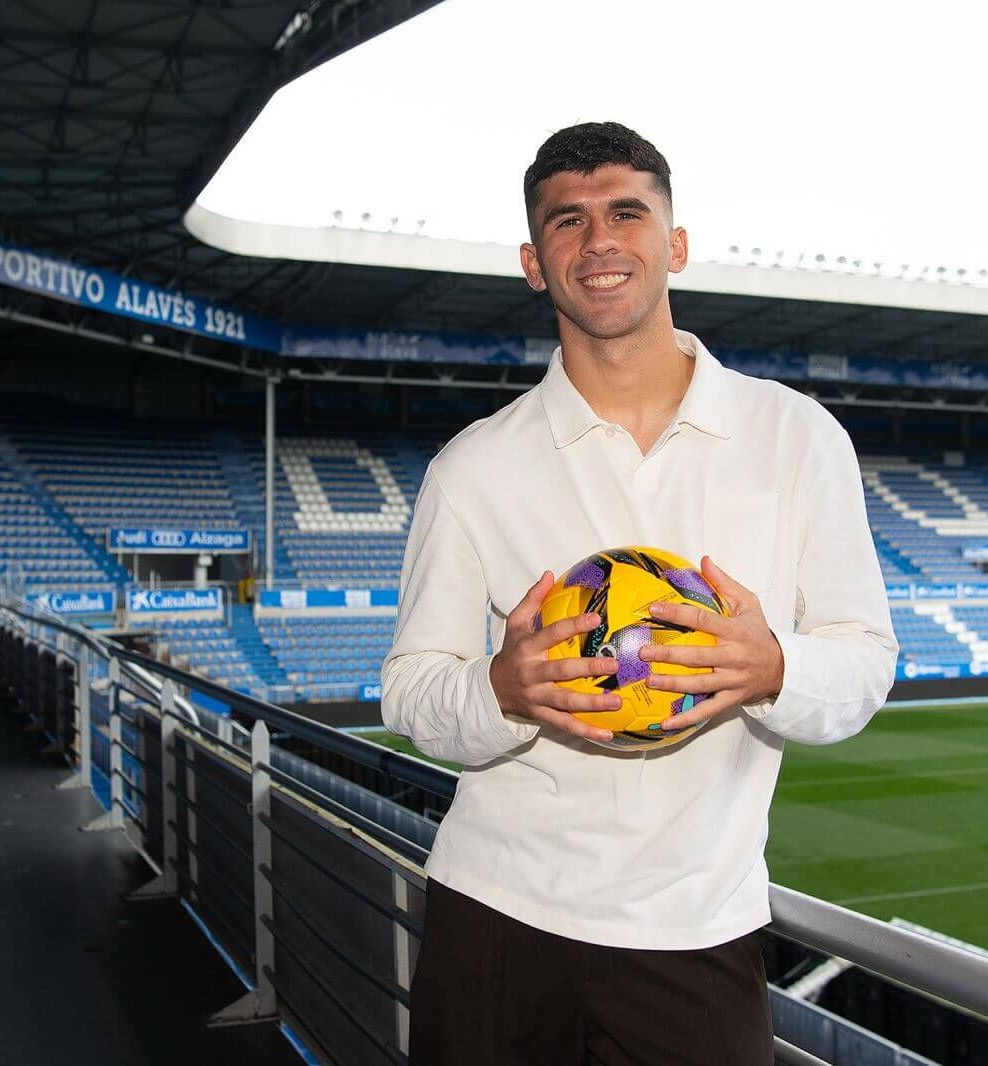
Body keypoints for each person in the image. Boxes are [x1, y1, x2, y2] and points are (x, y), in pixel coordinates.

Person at [381, 122, 899, 1065]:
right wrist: (502, 691)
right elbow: (412, 691)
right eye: (568, 222)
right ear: (535, 264)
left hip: (696, 927)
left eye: (627, 211)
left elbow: (864, 662)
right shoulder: (474, 467)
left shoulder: (797, 438)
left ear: (677, 242)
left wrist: (776, 664)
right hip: (498, 909)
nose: (601, 241)